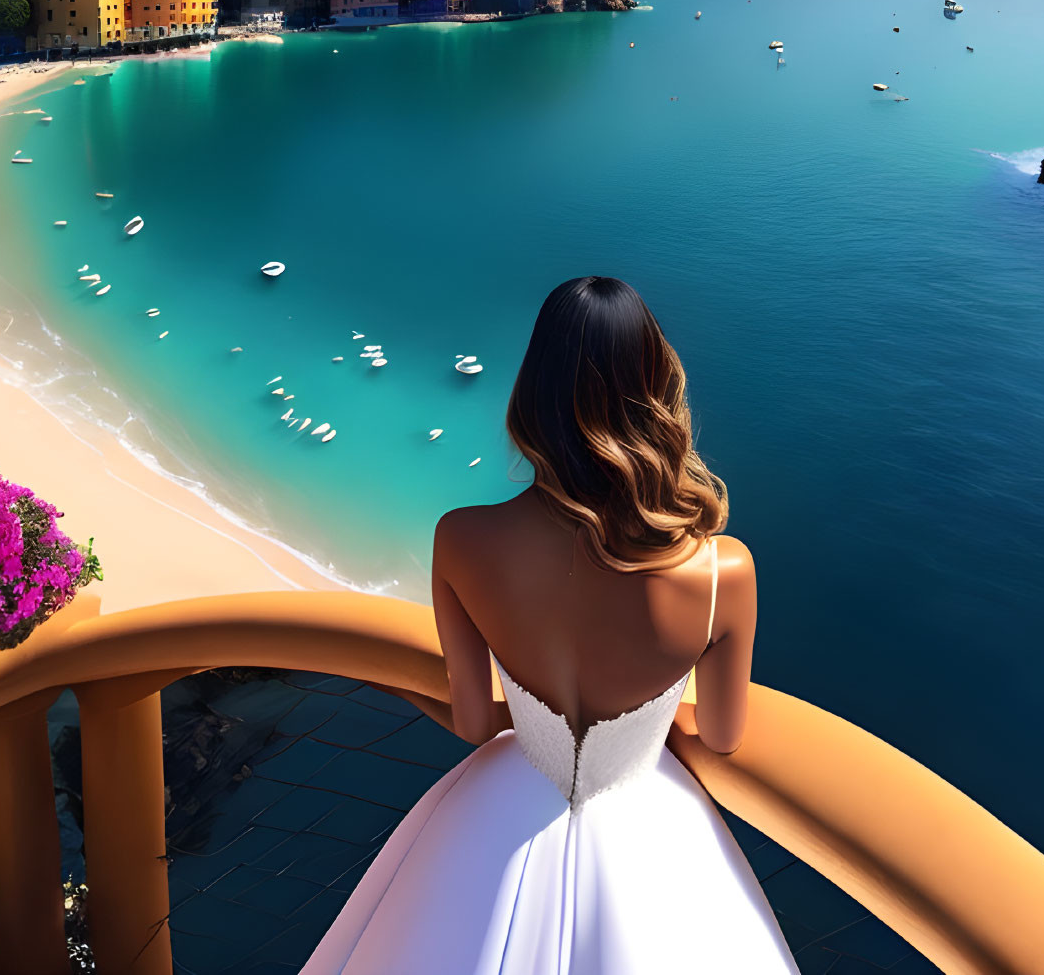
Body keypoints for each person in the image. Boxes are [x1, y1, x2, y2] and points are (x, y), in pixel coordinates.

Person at [301, 277, 797, 973]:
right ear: (656, 391)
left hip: (499, 811)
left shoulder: (461, 539)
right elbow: (720, 735)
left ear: (533, 396)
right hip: (648, 829)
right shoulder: (723, 572)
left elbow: (475, 720)